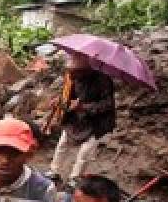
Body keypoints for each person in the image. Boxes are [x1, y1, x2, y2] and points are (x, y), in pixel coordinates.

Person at [48, 52, 117, 184]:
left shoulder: (103, 80)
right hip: (76, 118)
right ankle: (54, 171)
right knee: (62, 143)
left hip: (96, 122)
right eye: (70, 72)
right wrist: (60, 102)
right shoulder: (73, 78)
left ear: (85, 71)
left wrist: (84, 107)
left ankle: (75, 179)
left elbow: (108, 104)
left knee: (85, 152)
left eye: (75, 72)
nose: (72, 75)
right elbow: (68, 98)